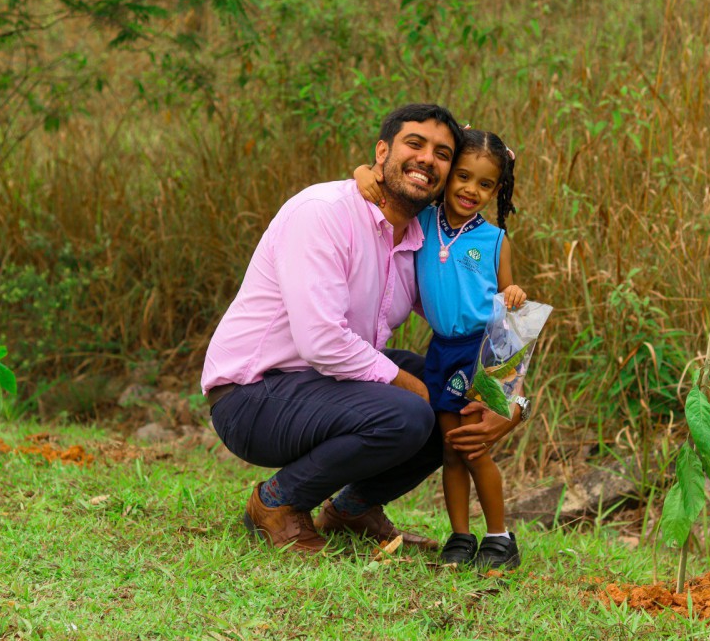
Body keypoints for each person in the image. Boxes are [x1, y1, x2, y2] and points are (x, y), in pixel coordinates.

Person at [202, 104, 526, 556]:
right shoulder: (324, 213)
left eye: (442, 153)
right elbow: (323, 342)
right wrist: (419, 391)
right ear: (382, 151)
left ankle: (352, 509)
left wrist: (506, 396)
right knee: (417, 406)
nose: (427, 159)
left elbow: (470, 316)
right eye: (415, 144)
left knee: (446, 389)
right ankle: (276, 503)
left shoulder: (419, 237)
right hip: (252, 394)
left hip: (321, 384)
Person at [353, 128, 529, 568]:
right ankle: (460, 537)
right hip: (443, 350)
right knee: (451, 448)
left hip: (484, 351)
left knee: (475, 448)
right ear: (448, 175)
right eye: (463, 177)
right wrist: (362, 172)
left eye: (485, 184)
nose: (471, 190)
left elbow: (510, 306)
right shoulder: (424, 221)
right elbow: (377, 186)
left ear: (497, 189)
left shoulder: (494, 241)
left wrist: (516, 295)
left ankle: (499, 537)